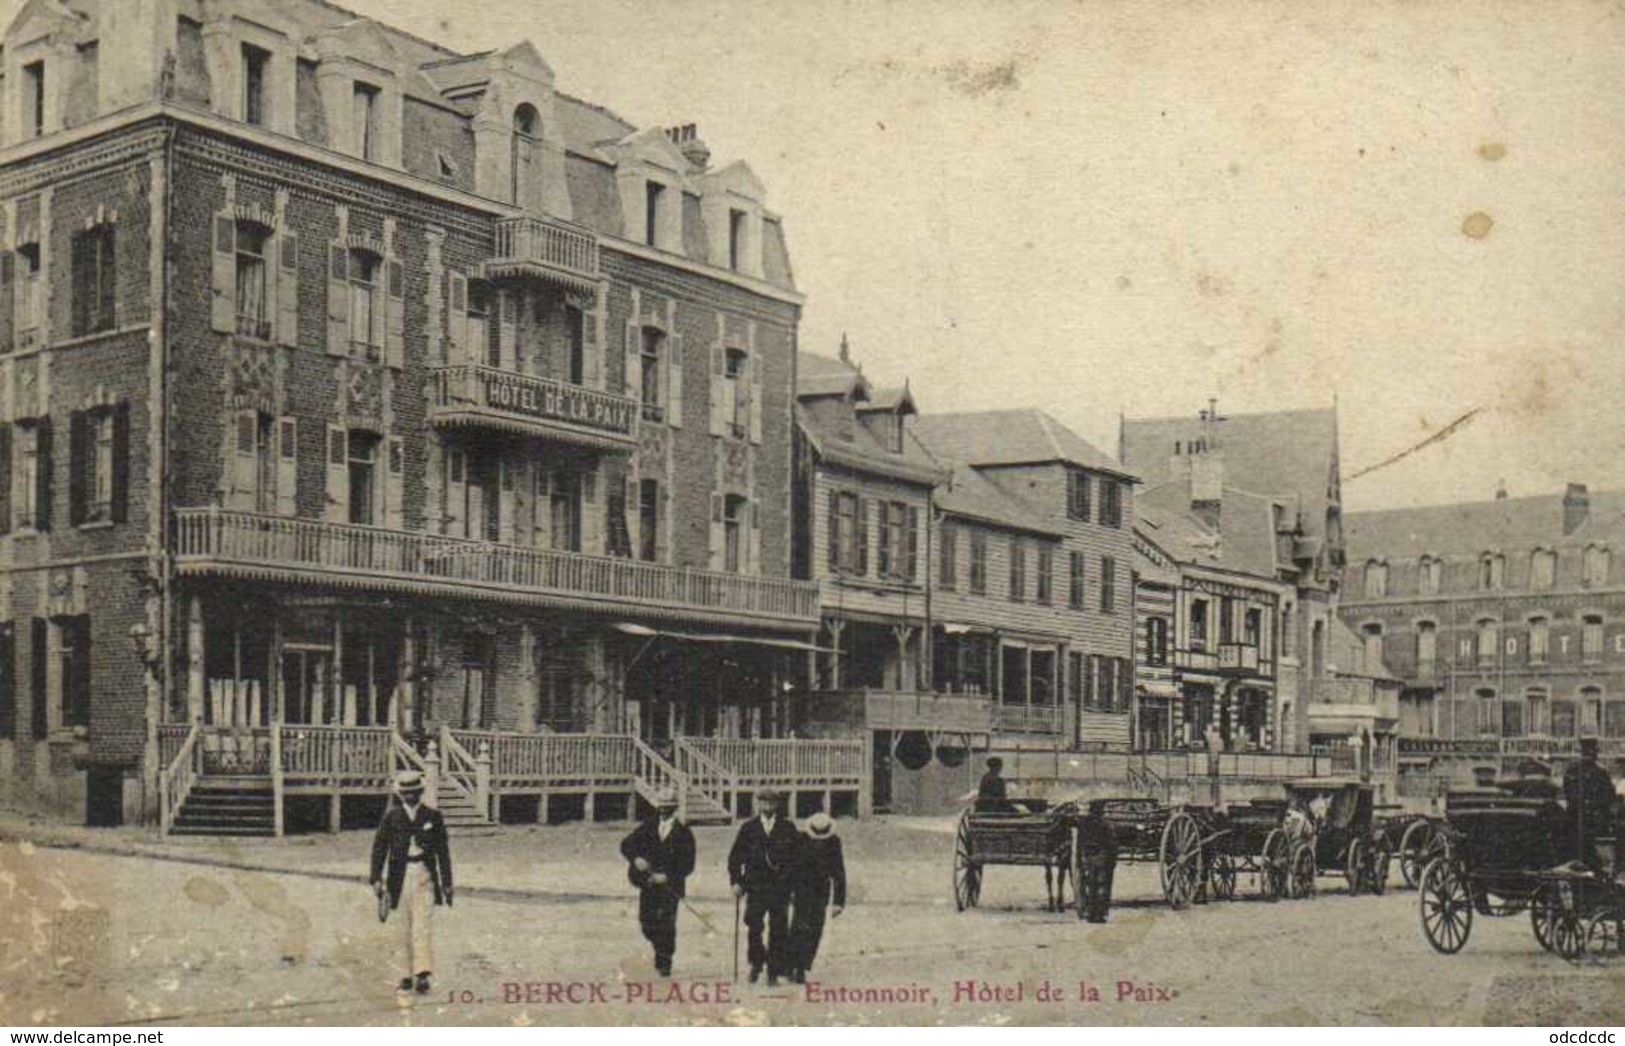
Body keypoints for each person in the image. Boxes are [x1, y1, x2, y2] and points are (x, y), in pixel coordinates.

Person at [369, 771, 454, 995]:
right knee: (402, 927)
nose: (409, 797)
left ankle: (423, 973)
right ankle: (405, 975)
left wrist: (447, 883)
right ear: (400, 794)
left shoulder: (433, 816)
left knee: (422, 926)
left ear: (420, 792)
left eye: (413, 792)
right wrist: (376, 878)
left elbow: (443, 852)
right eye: (405, 793)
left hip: (424, 875)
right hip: (399, 877)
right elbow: (379, 848)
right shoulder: (392, 816)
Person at [727, 787, 802, 985]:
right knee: (754, 927)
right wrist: (736, 881)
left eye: (771, 802)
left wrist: (793, 887)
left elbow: (797, 861)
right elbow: (735, 858)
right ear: (758, 804)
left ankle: (773, 971)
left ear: (777, 805)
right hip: (755, 887)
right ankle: (756, 963)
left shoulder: (788, 828)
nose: (767, 806)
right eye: (763, 802)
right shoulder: (748, 828)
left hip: (780, 888)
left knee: (778, 929)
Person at [619, 789, 696, 978]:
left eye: (667, 808)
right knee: (647, 924)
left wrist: (668, 876)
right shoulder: (648, 826)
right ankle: (660, 948)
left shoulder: (684, 833)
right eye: (661, 807)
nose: (663, 811)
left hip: (671, 887)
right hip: (648, 885)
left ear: (674, 809)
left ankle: (664, 962)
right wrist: (636, 858)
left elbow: (688, 864)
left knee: (666, 924)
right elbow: (626, 844)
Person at [789, 812, 846, 983]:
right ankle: (795, 966)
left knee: (815, 929)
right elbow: (790, 866)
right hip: (801, 888)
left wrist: (838, 902)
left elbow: (839, 872)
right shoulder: (800, 839)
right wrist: (789, 890)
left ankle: (804, 964)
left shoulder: (834, 842)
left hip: (821, 891)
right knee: (799, 927)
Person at [1563, 737, 1618, 871]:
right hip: (1593, 823)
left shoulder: (1571, 771)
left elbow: (1568, 794)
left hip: (1576, 821)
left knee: (1575, 856)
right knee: (1593, 859)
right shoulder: (1601, 772)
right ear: (1594, 753)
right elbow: (1609, 797)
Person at [1075, 801, 1119, 923]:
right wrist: (1113, 859)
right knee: (1102, 886)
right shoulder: (1105, 824)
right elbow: (1112, 844)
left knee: (1090, 885)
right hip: (1101, 857)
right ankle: (1100, 914)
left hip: (1087, 856)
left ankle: (1090, 913)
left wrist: (1079, 859)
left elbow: (1079, 842)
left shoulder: (1083, 824)